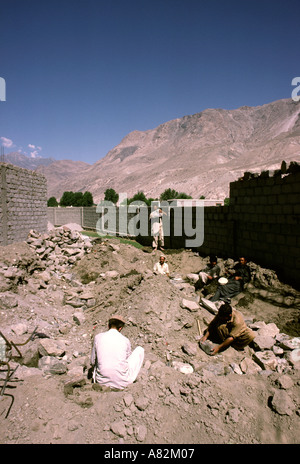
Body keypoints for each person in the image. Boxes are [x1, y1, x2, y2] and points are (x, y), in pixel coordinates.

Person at [90, 315, 144, 390]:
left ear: (108, 325)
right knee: (140, 349)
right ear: (120, 328)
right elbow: (127, 359)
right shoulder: (125, 340)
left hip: (101, 382)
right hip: (122, 383)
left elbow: (92, 362)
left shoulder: (98, 337)